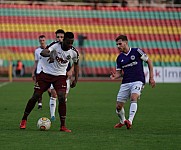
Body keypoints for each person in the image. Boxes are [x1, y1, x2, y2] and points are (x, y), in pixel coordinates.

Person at [19, 32, 79, 132]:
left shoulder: (73, 52)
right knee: (35, 96)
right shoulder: (55, 45)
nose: (70, 45)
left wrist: (76, 79)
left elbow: (76, 65)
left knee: (62, 97)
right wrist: (50, 53)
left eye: (71, 43)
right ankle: (23, 120)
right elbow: (43, 52)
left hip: (60, 76)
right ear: (63, 41)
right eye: (68, 42)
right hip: (46, 75)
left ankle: (63, 126)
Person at [110, 34, 155, 129]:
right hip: (125, 82)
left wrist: (151, 77)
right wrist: (115, 76)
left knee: (133, 97)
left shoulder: (137, 51)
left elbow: (149, 61)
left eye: (120, 44)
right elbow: (119, 73)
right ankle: (122, 121)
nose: (118, 46)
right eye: (117, 44)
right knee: (118, 107)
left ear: (126, 42)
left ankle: (129, 121)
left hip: (138, 80)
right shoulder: (119, 58)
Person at [49, 29, 74, 121]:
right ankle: (52, 116)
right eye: (58, 37)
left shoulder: (70, 49)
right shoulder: (54, 47)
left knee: (63, 98)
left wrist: (71, 71)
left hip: (66, 75)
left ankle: (62, 115)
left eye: (61, 37)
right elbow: (49, 56)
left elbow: (75, 62)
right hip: (55, 75)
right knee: (53, 93)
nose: (60, 39)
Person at [32, 35, 47, 109]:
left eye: (43, 40)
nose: (42, 42)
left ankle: (52, 102)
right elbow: (36, 62)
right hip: (39, 72)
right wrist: (33, 72)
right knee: (38, 88)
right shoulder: (37, 51)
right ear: (39, 41)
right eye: (40, 40)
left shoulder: (49, 49)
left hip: (47, 72)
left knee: (50, 89)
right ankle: (40, 104)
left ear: (45, 40)